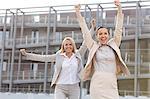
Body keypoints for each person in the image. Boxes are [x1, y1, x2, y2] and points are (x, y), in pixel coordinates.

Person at [20, 20, 95, 99]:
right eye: (66, 45)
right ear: (63, 46)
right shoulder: (59, 56)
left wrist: (92, 29)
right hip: (60, 87)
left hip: (74, 87)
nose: (68, 46)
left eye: (70, 44)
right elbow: (43, 58)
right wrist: (27, 55)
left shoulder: (78, 54)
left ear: (73, 46)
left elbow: (86, 42)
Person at [75, 0, 130, 99]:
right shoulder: (93, 46)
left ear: (109, 35)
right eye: (100, 34)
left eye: (105, 33)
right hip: (97, 83)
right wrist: (78, 13)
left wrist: (119, 8)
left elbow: (119, 29)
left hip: (111, 82)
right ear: (97, 36)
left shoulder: (114, 44)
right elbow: (85, 32)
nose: (103, 36)